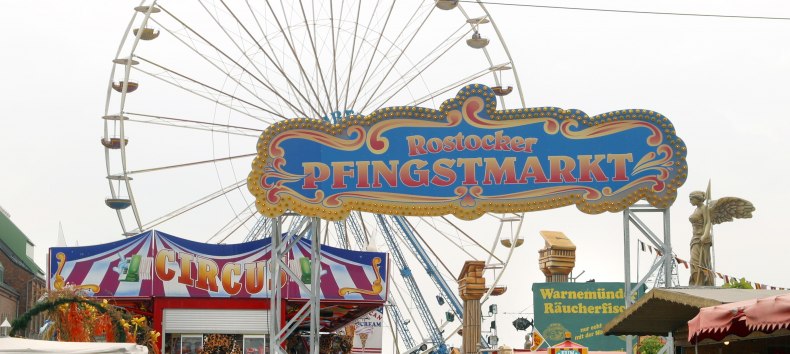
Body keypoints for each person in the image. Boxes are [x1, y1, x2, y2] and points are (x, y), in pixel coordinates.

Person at [688, 191, 712, 286]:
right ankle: (696, 282)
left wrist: (705, 235)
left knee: (699, 263)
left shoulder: (704, 208)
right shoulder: (696, 209)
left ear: (697, 198)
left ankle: (701, 282)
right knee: (693, 262)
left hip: (702, 239)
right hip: (695, 238)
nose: (690, 201)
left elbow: (708, 223)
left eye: (691, 199)